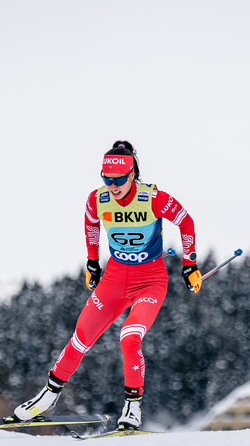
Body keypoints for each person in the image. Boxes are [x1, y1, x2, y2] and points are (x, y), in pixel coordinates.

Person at [12, 140, 202, 430]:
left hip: (149, 282)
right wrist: (92, 263)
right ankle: (47, 396)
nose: (113, 186)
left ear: (132, 174)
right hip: (114, 279)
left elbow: (186, 222)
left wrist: (189, 265)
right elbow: (91, 224)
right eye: (107, 179)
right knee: (81, 337)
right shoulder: (97, 199)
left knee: (129, 337)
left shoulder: (154, 198)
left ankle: (132, 407)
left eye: (119, 180)